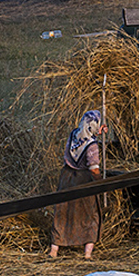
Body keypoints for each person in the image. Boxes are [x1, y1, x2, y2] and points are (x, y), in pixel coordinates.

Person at [49, 110, 106, 260]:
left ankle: (54, 250)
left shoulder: (74, 134)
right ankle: (87, 254)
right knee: (89, 215)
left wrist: (100, 131)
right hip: (83, 180)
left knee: (62, 213)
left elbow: (86, 134)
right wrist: (100, 182)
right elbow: (93, 168)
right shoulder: (92, 146)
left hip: (66, 177)